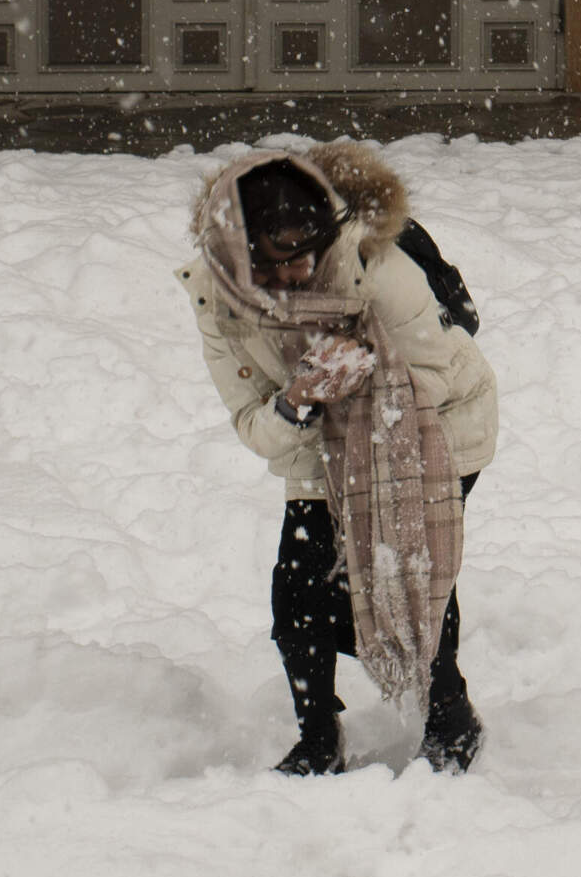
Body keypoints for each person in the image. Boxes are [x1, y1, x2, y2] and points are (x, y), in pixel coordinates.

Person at [182, 143, 499, 776]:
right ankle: (319, 738)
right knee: (298, 591)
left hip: (436, 425)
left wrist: (365, 381)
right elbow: (253, 421)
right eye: (279, 257)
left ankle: (450, 717)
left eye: (308, 252)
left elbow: (435, 373)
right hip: (315, 435)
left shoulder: (370, 266)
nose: (299, 272)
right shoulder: (215, 298)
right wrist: (302, 397)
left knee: (404, 567)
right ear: (238, 250)